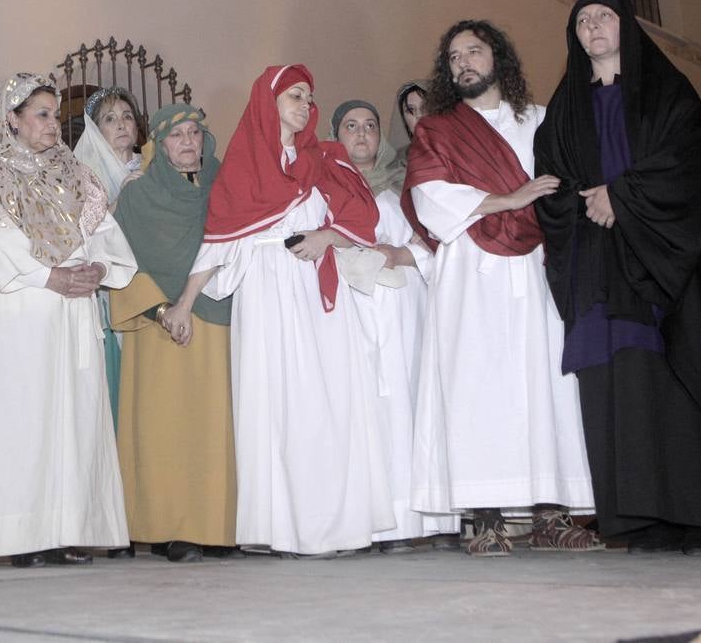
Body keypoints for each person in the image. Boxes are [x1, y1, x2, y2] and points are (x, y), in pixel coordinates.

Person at [164, 65, 394, 557]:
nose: (305, 104)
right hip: (267, 292)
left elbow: (362, 217)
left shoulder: (326, 158)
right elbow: (218, 243)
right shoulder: (244, 167)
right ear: (268, 101)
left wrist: (326, 236)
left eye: (309, 97)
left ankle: (340, 525)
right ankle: (284, 529)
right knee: (277, 404)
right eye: (294, 95)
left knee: (329, 403)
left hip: (316, 289)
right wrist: (184, 303)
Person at [534, 0, 701, 556]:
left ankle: (691, 520)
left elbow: (692, 161)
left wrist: (623, 197)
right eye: (582, 21)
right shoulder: (566, 108)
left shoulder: (668, 94)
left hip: (655, 263)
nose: (592, 27)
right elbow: (550, 182)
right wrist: (587, 202)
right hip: (596, 267)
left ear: (626, 27)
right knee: (611, 384)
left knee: (663, 378)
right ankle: (635, 521)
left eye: (604, 16)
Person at [402, 21, 599, 556]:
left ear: (499, 58)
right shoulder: (437, 129)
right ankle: (484, 518)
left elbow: (566, 185)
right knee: (476, 388)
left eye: (474, 50)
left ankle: (552, 514)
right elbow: (428, 196)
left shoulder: (538, 120)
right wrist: (510, 200)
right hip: (471, 273)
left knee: (545, 384)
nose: (463, 61)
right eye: (454, 55)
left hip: (536, 269)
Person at [0, 72, 138, 568]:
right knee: (22, 418)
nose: (54, 125)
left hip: (72, 311)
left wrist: (98, 267)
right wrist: (47, 276)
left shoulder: (75, 174)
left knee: (73, 420)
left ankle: (65, 531)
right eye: (43, 115)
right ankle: (20, 537)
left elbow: (105, 233)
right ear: (12, 118)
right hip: (18, 309)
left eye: (56, 115)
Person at [110, 103, 236, 564]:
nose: (188, 142)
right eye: (176, 135)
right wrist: (163, 309)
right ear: (159, 146)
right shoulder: (138, 198)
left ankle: (219, 526)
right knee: (165, 430)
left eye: (195, 133)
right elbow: (121, 264)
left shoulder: (227, 189)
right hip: (159, 325)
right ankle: (170, 529)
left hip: (217, 319)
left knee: (215, 428)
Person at [330, 100, 458, 553]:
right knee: (366, 409)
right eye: (351, 126)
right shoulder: (325, 187)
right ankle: (381, 525)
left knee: (414, 402)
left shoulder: (407, 184)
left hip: (406, 305)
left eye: (370, 126)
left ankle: (432, 519)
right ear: (336, 136)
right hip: (353, 308)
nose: (362, 134)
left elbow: (433, 240)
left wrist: (399, 255)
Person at [72, 86, 143, 441]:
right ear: (95, 130)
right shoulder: (82, 176)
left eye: (127, 116)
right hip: (106, 292)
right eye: (110, 119)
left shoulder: (152, 168)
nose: (121, 125)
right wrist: (123, 201)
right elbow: (80, 233)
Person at [387, 80, 428, 164]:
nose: (419, 116)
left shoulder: (457, 154)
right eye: (411, 110)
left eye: (425, 108)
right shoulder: (395, 166)